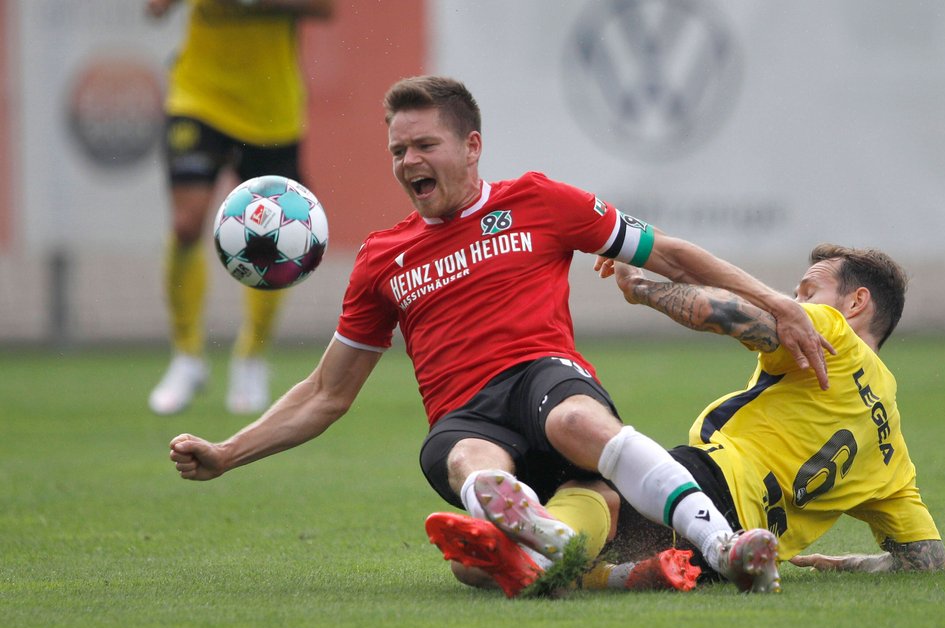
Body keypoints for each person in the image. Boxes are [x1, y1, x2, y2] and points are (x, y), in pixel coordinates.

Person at [168, 75, 834, 596]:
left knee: (577, 422)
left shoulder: (539, 201)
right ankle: (537, 533)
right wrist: (228, 453)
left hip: (542, 376)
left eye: (424, 145)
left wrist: (775, 301)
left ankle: (722, 547)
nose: (408, 162)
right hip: (465, 414)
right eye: (397, 150)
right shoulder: (381, 260)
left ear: (471, 147)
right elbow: (325, 394)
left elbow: (669, 255)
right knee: (469, 464)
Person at [591, 244, 945, 578]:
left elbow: (723, 312)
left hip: (707, 487)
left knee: (575, 487)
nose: (794, 304)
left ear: (856, 303)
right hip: (730, 556)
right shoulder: (891, 452)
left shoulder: (831, 330)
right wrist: (846, 563)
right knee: (591, 558)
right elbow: (929, 561)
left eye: (807, 293)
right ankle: (621, 575)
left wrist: (638, 286)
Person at [146, 0, 334, 415]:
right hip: (199, 97)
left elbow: (325, 7)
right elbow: (154, 9)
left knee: (275, 237)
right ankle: (187, 356)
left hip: (271, 109)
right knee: (186, 223)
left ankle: (251, 357)